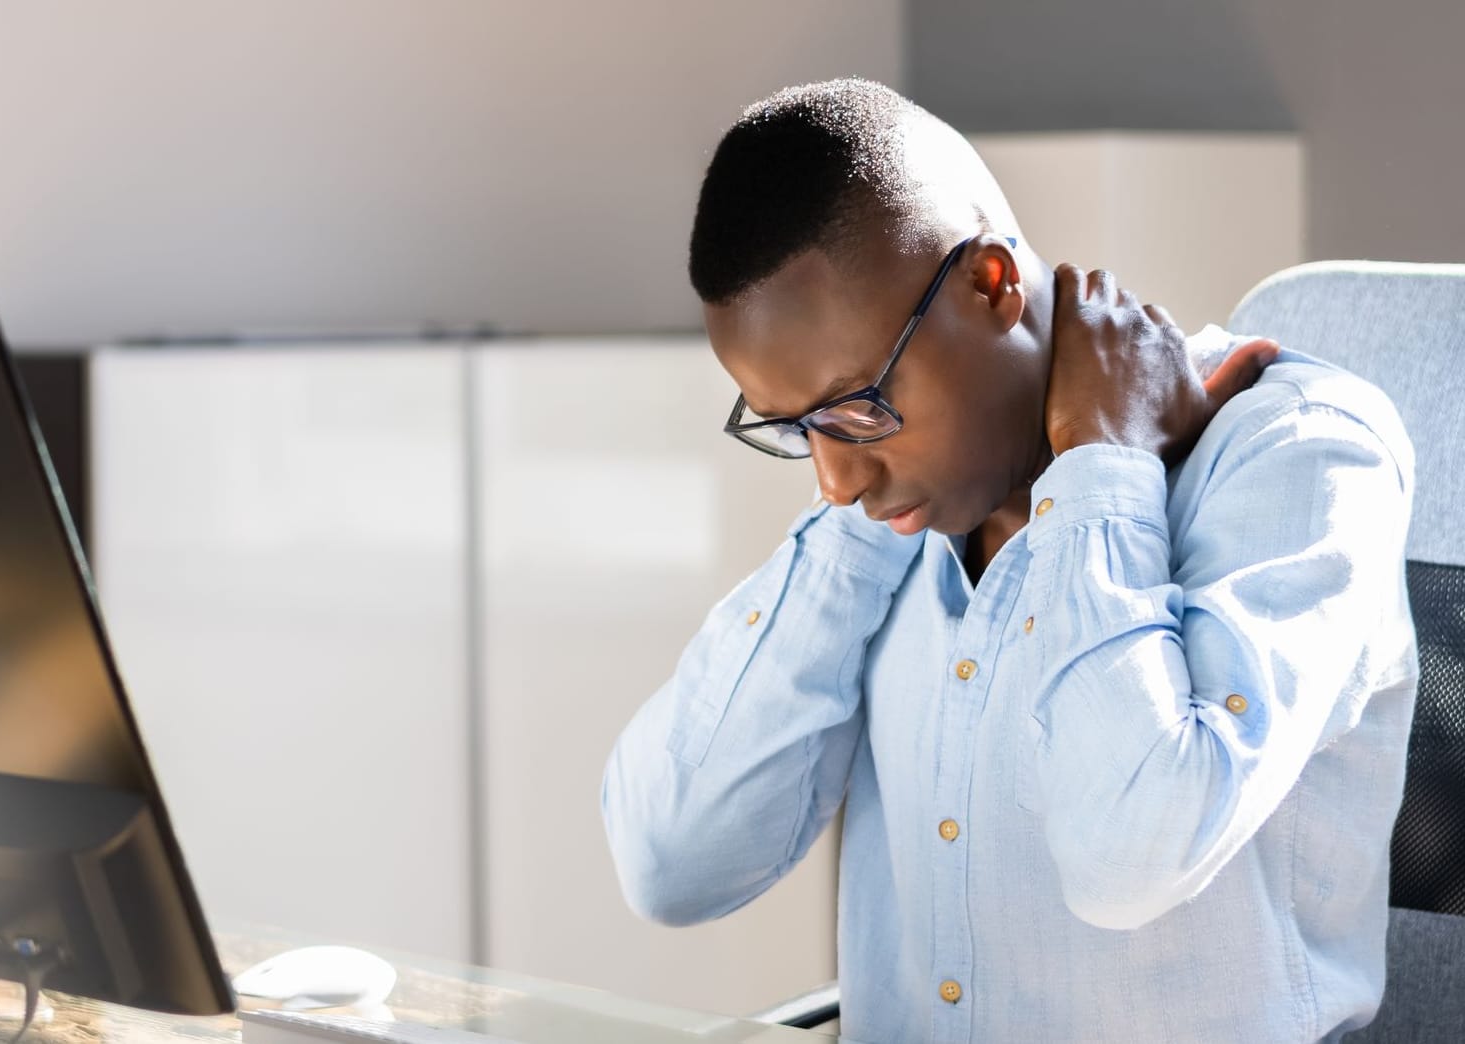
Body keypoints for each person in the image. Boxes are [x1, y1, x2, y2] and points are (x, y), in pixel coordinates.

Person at [601, 79, 1417, 1042]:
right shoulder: (897, 507)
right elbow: (673, 864)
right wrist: (855, 533)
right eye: (794, 428)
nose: (831, 480)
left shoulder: (1304, 453)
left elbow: (1129, 857)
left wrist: (1098, 474)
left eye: (858, 406)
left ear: (990, 286)